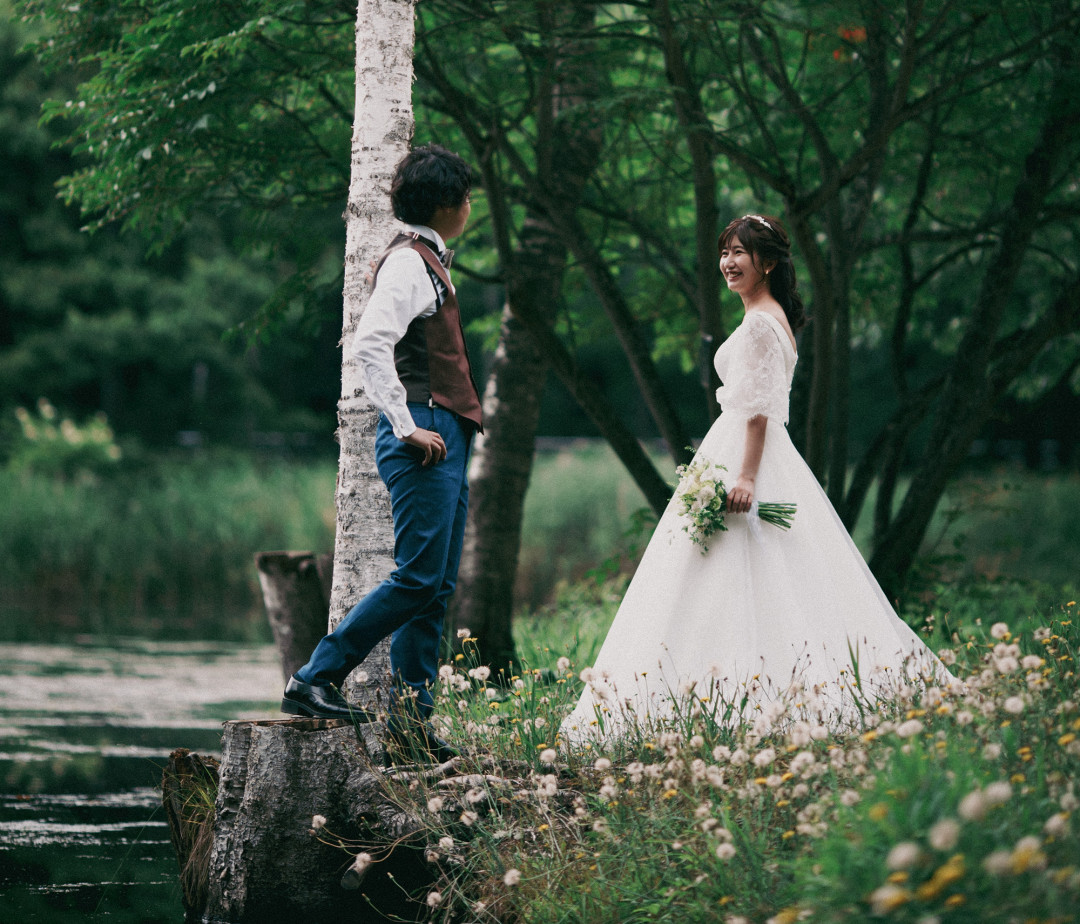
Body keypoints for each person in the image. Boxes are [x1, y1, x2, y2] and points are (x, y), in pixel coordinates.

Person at [562, 213, 953, 741]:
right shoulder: (765, 318)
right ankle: (717, 692)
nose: (728, 262)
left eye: (739, 253)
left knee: (752, 570)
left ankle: (751, 697)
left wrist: (745, 477)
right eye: (724, 252)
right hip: (744, 449)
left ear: (766, 262)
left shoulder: (763, 323)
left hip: (752, 457)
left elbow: (761, 408)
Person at [282, 144, 481, 761]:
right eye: (467, 198)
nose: (471, 207)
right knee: (418, 576)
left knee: (436, 586)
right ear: (448, 205)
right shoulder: (409, 264)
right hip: (424, 432)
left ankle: (415, 730)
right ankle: (316, 676)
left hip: (444, 431)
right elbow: (369, 345)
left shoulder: (428, 261)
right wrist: (404, 425)